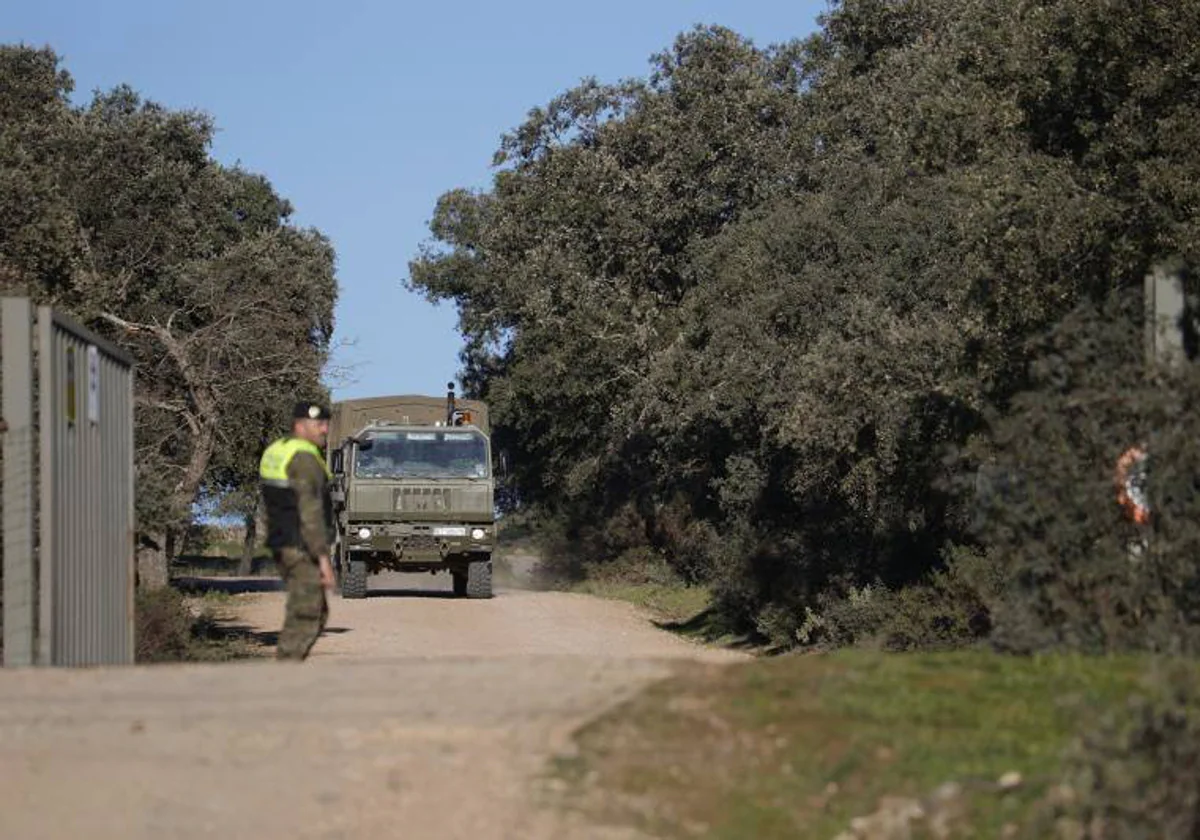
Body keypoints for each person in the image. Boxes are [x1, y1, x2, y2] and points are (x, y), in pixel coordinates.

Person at [259, 401, 336, 660]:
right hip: (300, 545)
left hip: (282, 541)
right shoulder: (304, 458)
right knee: (305, 615)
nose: (325, 429)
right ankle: (283, 679)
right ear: (300, 425)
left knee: (314, 611)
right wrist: (323, 558)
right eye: (319, 424)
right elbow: (309, 511)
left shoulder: (278, 449)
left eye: (326, 423)